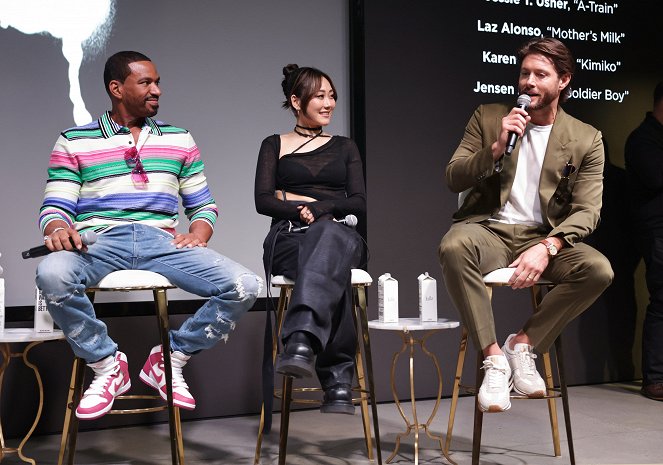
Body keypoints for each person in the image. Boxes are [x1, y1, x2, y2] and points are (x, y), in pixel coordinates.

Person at [35, 51, 262, 420]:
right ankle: (107, 366)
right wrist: (58, 228)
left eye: (157, 82)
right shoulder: (74, 141)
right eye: (146, 83)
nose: (157, 90)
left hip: (162, 242)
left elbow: (203, 205)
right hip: (99, 242)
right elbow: (55, 207)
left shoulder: (180, 139)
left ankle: (171, 358)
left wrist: (199, 232)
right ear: (117, 88)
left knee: (245, 285)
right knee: (51, 273)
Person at [438, 37, 613, 413]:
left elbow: (588, 210)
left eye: (540, 74)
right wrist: (497, 148)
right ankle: (494, 360)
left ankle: (522, 344)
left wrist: (549, 246)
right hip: (489, 231)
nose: (528, 82)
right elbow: (454, 177)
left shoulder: (586, 138)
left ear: (563, 80)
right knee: (454, 246)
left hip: (542, 236)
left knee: (597, 269)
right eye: (524, 73)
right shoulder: (488, 117)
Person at [254, 64, 366, 414]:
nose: (329, 103)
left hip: (339, 235)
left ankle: (301, 339)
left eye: (332, 96)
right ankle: (337, 380)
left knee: (330, 236)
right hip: (288, 237)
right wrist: (304, 209)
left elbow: (359, 202)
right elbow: (263, 200)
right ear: (296, 101)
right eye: (320, 96)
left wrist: (319, 207)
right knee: (332, 266)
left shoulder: (345, 146)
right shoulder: (274, 144)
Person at [624, 82, 663, 401]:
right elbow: (656, 179)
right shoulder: (643, 139)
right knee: (662, 302)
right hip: (656, 231)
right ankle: (654, 379)